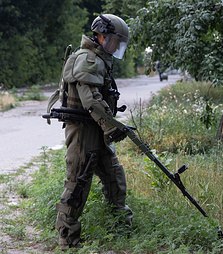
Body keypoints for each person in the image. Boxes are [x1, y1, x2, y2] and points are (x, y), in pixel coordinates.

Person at [54, 14, 133, 250]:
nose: (116, 47)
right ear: (102, 36)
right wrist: (112, 126)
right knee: (78, 182)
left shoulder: (99, 59)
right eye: (114, 41)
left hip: (97, 128)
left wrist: (108, 127)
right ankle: (67, 238)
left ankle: (121, 228)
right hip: (84, 131)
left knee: (114, 177)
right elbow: (92, 101)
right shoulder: (88, 59)